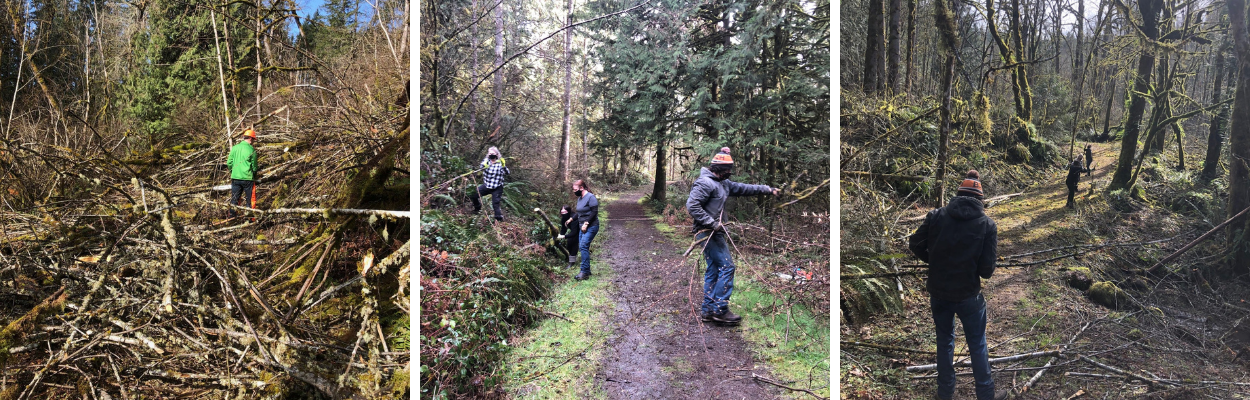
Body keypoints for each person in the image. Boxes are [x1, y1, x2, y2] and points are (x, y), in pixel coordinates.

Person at [908, 170, 1005, 400]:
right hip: (968, 295)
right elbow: (987, 271)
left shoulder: (936, 216)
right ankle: (986, 395)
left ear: (958, 195)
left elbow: (915, 243)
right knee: (977, 344)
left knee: (944, 341)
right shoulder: (987, 225)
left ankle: (945, 393)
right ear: (980, 200)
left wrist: (936, 261)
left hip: (939, 292)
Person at [686, 147, 778, 324]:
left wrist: (768, 189)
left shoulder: (723, 183)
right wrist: (712, 224)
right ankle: (720, 310)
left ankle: (708, 310)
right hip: (707, 233)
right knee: (727, 267)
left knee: (714, 269)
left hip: (714, 233)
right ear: (719, 169)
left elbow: (744, 188)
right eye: (727, 169)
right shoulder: (705, 183)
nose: (730, 172)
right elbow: (692, 206)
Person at [470, 146, 510, 221]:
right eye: (490, 153)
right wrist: (484, 165)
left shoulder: (500, 163)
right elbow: (481, 167)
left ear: (497, 154)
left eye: (493, 153)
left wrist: (504, 166)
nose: (491, 154)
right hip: (487, 185)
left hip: (497, 187)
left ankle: (499, 220)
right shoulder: (486, 161)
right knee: (474, 195)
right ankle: (477, 208)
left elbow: (507, 173)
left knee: (495, 203)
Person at [226, 129, 259, 218]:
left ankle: (232, 217)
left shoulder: (235, 148)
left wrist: (233, 172)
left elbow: (229, 163)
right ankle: (250, 218)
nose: (253, 142)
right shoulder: (251, 150)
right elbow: (254, 166)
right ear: (251, 139)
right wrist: (254, 175)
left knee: (234, 199)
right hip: (248, 178)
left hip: (235, 178)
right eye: (253, 140)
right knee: (250, 200)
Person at [572, 179, 599, 280]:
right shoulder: (580, 198)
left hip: (591, 226)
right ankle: (587, 270)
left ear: (581, 188)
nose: (574, 192)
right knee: (583, 247)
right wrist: (571, 219)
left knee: (583, 246)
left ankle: (584, 272)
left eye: (575, 189)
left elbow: (594, 212)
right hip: (582, 226)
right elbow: (579, 212)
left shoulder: (590, 197)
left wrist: (586, 223)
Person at [557, 205, 580, 269]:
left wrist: (564, 236)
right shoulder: (564, 218)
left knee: (573, 243)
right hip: (574, 231)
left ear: (568, 211)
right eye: (562, 213)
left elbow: (574, 233)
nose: (563, 214)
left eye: (565, 212)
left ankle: (571, 263)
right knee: (569, 246)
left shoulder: (573, 218)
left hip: (581, 230)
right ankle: (572, 258)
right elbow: (563, 229)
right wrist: (560, 235)